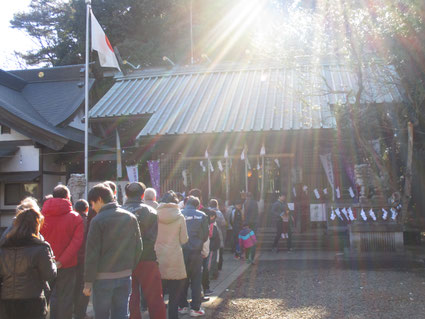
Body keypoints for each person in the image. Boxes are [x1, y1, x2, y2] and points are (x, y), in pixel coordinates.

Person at [83, 183, 143, 319]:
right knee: (121, 314)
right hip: (125, 275)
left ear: (99, 199)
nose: (93, 208)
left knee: (102, 315)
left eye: (92, 204)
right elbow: (139, 246)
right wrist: (130, 266)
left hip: (102, 278)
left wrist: (88, 282)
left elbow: (92, 254)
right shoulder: (130, 217)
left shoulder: (97, 221)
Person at [0, 207, 57, 319]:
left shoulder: (4, 247)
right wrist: (53, 262)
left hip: (7, 301)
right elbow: (49, 274)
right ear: (36, 225)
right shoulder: (40, 247)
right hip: (33, 300)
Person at [122, 182, 166, 319]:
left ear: (126, 194)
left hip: (125, 260)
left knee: (130, 297)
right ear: (142, 195)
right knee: (155, 298)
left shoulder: (120, 212)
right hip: (147, 258)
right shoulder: (151, 212)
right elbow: (153, 237)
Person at [41, 185, 84, 319]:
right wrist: (61, 261)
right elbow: (76, 243)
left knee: (44, 296)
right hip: (68, 265)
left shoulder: (41, 216)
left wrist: (51, 260)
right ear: (67, 196)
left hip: (44, 263)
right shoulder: (76, 217)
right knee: (65, 298)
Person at [155, 191, 189, 319]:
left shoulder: (154, 215)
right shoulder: (180, 217)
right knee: (175, 295)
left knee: (159, 294)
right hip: (175, 257)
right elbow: (184, 239)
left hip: (158, 257)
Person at [178, 195, 209, 317]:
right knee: (196, 280)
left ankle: (182, 306)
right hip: (196, 252)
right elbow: (205, 235)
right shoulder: (202, 215)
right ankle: (195, 308)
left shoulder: (179, 214)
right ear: (197, 205)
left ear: (186, 203)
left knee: (182, 279)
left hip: (181, 251)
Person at [73, 199, 90, 319]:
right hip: (85, 259)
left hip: (71, 259)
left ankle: (73, 311)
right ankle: (81, 313)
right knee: (84, 287)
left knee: (73, 286)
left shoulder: (71, 220)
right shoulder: (89, 221)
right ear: (87, 209)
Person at [208, 199, 226, 271]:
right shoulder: (219, 213)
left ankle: (210, 267)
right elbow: (223, 223)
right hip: (218, 233)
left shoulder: (207, 212)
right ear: (217, 205)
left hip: (209, 233)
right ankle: (219, 266)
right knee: (219, 250)